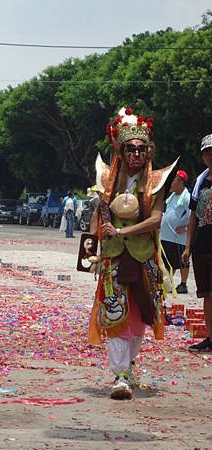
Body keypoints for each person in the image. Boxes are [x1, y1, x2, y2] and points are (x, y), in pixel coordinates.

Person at [86, 107, 176, 400]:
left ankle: (130, 365)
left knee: (140, 315)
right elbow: (98, 216)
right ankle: (120, 375)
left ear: (147, 152)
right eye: (130, 149)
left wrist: (122, 232)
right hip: (113, 256)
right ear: (121, 150)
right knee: (115, 313)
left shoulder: (155, 182)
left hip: (143, 255)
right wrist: (89, 247)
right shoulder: (107, 181)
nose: (135, 154)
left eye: (140, 149)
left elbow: (156, 219)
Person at [182, 134, 212, 352]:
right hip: (202, 246)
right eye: (207, 152)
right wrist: (187, 246)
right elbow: (193, 216)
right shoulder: (200, 181)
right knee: (207, 294)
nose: (210, 155)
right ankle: (210, 338)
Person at [160, 170, 191, 294]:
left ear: (180, 182)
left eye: (173, 181)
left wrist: (186, 228)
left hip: (179, 237)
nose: (171, 183)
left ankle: (183, 284)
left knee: (182, 260)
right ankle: (167, 283)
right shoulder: (172, 197)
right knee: (166, 261)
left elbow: (193, 216)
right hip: (166, 236)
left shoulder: (187, 198)